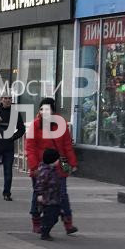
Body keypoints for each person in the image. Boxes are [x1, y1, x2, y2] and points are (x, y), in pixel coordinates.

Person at [25, 98, 78, 235]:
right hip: (41, 168)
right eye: (42, 109)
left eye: (48, 110)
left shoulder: (61, 124)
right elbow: (30, 147)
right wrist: (34, 167)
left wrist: (72, 163)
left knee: (63, 195)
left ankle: (68, 223)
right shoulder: (35, 125)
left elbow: (67, 145)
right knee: (38, 194)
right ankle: (37, 221)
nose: (44, 112)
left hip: (59, 165)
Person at [0, 95, 26, 201]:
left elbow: (21, 129)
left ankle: (7, 193)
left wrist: (13, 137)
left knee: (8, 171)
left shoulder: (15, 113)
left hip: (8, 146)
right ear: (1, 99)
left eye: (9, 98)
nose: (7, 100)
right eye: (5, 98)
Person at [34, 149, 66, 240]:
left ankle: (44, 227)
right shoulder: (45, 171)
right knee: (50, 217)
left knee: (54, 217)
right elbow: (40, 184)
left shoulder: (53, 170)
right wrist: (40, 194)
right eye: (57, 159)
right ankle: (44, 231)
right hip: (47, 200)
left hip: (54, 198)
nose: (58, 161)